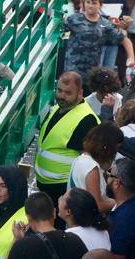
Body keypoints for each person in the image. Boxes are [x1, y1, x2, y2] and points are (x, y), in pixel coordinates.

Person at [35, 72, 99, 203]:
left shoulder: (87, 120)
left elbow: (90, 162)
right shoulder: (56, 108)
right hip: (48, 186)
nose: (61, 96)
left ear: (80, 93)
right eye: (59, 90)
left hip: (64, 189)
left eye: (68, 93)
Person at [5, 192, 87, 259]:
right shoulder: (74, 240)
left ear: (28, 218)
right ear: (54, 213)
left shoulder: (23, 247)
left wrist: (17, 239)